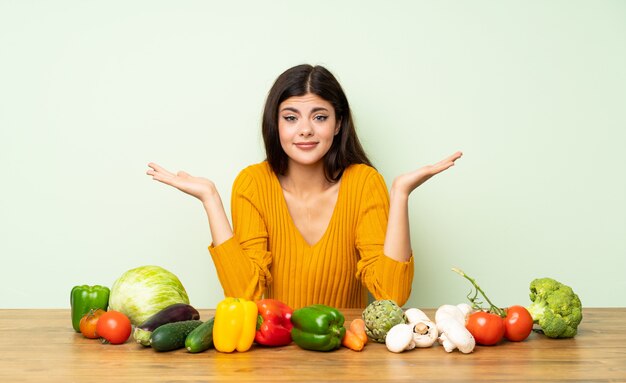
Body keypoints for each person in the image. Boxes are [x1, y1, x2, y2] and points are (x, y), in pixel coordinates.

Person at [147, 64, 462, 309]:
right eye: (291, 118)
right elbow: (245, 293)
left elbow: (391, 294)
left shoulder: (364, 182)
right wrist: (210, 199)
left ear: (338, 124)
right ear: (277, 124)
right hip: (274, 354)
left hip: (348, 353)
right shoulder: (253, 183)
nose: (306, 130)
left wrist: (401, 194)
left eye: (320, 117)